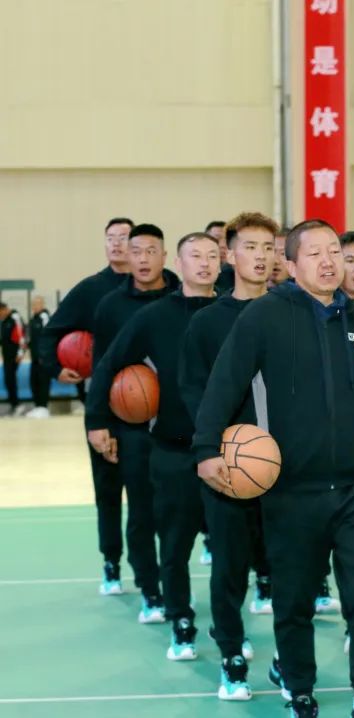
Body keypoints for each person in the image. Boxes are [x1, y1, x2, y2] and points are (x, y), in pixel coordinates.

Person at [193, 219, 354, 718]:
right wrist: (206, 449)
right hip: (293, 490)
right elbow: (225, 381)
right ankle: (299, 688)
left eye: (335, 252)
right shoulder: (264, 316)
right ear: (291, 263)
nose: (329, 262)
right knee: (295, 601)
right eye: (315, 253)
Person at [84, 231, 220, 661]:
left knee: (232, 547)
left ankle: (229, 628)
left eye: (212, 256)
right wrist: (95, 420)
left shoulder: (235, 313)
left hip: (228, 450)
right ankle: (177, 616)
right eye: (195, 256)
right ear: (178, 263)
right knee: (173, 541)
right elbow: (108, 365)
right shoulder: (154, 317)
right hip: (173, 448)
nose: (204, 263)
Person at [178, 212, 278, 700]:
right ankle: (232, 654)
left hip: (289, 468)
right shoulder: (206, 322)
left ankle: (288, 658)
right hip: (231, 464)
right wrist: (213, 449)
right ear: (230, 255)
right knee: (230, 566)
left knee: (292, 568)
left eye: (268, 247)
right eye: (250, 247)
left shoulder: (290, 313)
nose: (260, 256)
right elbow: (193, 391)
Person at [85, 223, 179, 621]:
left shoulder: (183, 297)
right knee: (140, 510)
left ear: (164, 256)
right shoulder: (110, 306)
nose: (142, 259)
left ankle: (175, 587)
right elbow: (102, 366)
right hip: (132, 423)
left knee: (175, 516)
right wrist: (99, 421)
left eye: (150, 251)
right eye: (135, 251)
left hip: (177, 425)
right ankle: (149, 588)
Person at [39, 217, 133, 593]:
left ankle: (152, 569)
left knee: (151, 495)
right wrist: (55, 366)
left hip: (152, 407)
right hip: (104, 405)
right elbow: (50, 333)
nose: (117, 244)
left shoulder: (162, 287)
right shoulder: (90, 289)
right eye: (111, 238)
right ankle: (111, 562)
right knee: (108, 491)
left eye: (124, 237)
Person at [26, 296, 52, 418]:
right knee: (33, 381)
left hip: (44, 357)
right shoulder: (33, 320)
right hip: (34, 357)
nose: (34, 307)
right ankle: (37, 406)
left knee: (43, 382)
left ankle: (44, 407)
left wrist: (45, 354)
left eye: (37, 304)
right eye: (33, 305)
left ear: (42, 305)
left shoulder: (45, 318)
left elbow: (48, 336)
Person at [0, 302, 26, 416]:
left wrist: (20, 353)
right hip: (7, 356)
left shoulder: (15, 317)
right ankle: (14, 405)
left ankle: (17, 405)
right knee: (8, 380)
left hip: (14, 355)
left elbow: (22, 336)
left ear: (4, 309)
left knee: (11, 379)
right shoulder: (4, 321)